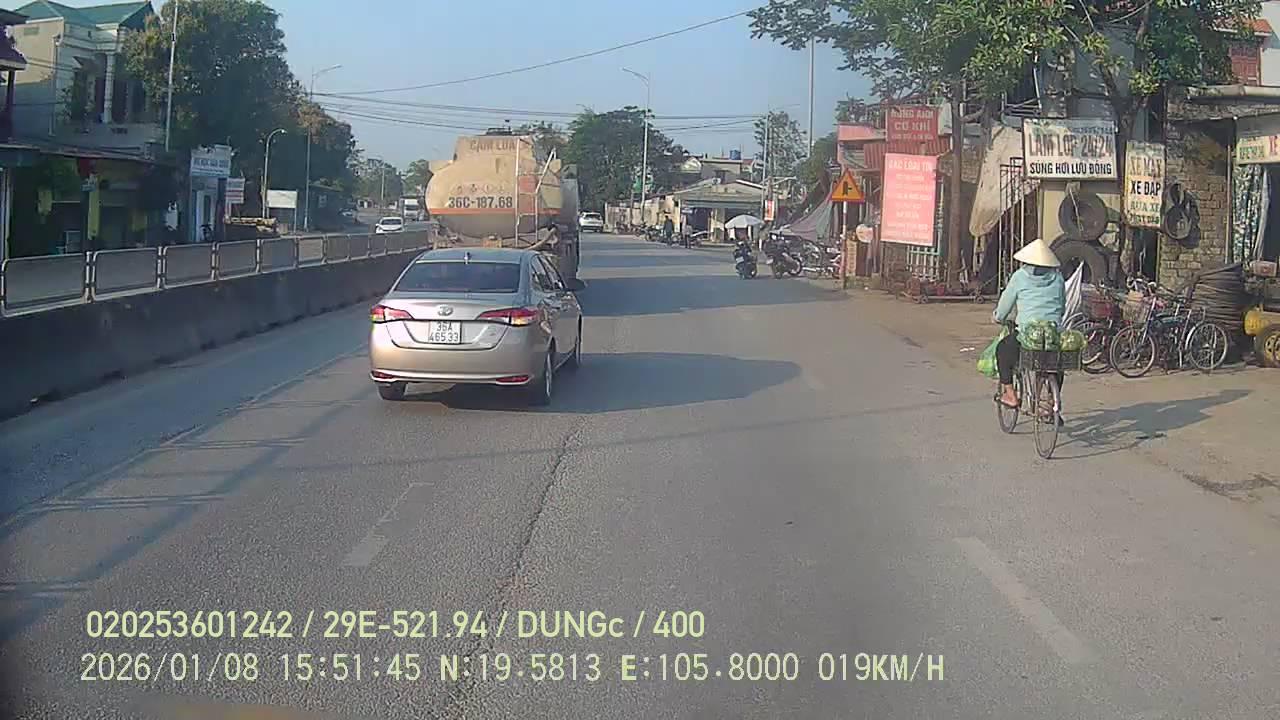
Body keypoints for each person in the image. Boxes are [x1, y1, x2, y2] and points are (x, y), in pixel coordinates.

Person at [993, 238, 1066, 413]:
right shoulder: (1058, 278)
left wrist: (998, 317)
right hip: (1052, 333)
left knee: (1002, 350)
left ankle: (1010, 395)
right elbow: (1062, 306)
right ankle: (1052, 399)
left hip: (1027, 335)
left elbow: (1005, 305)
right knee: (1055, 363)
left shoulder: (1020, 277)